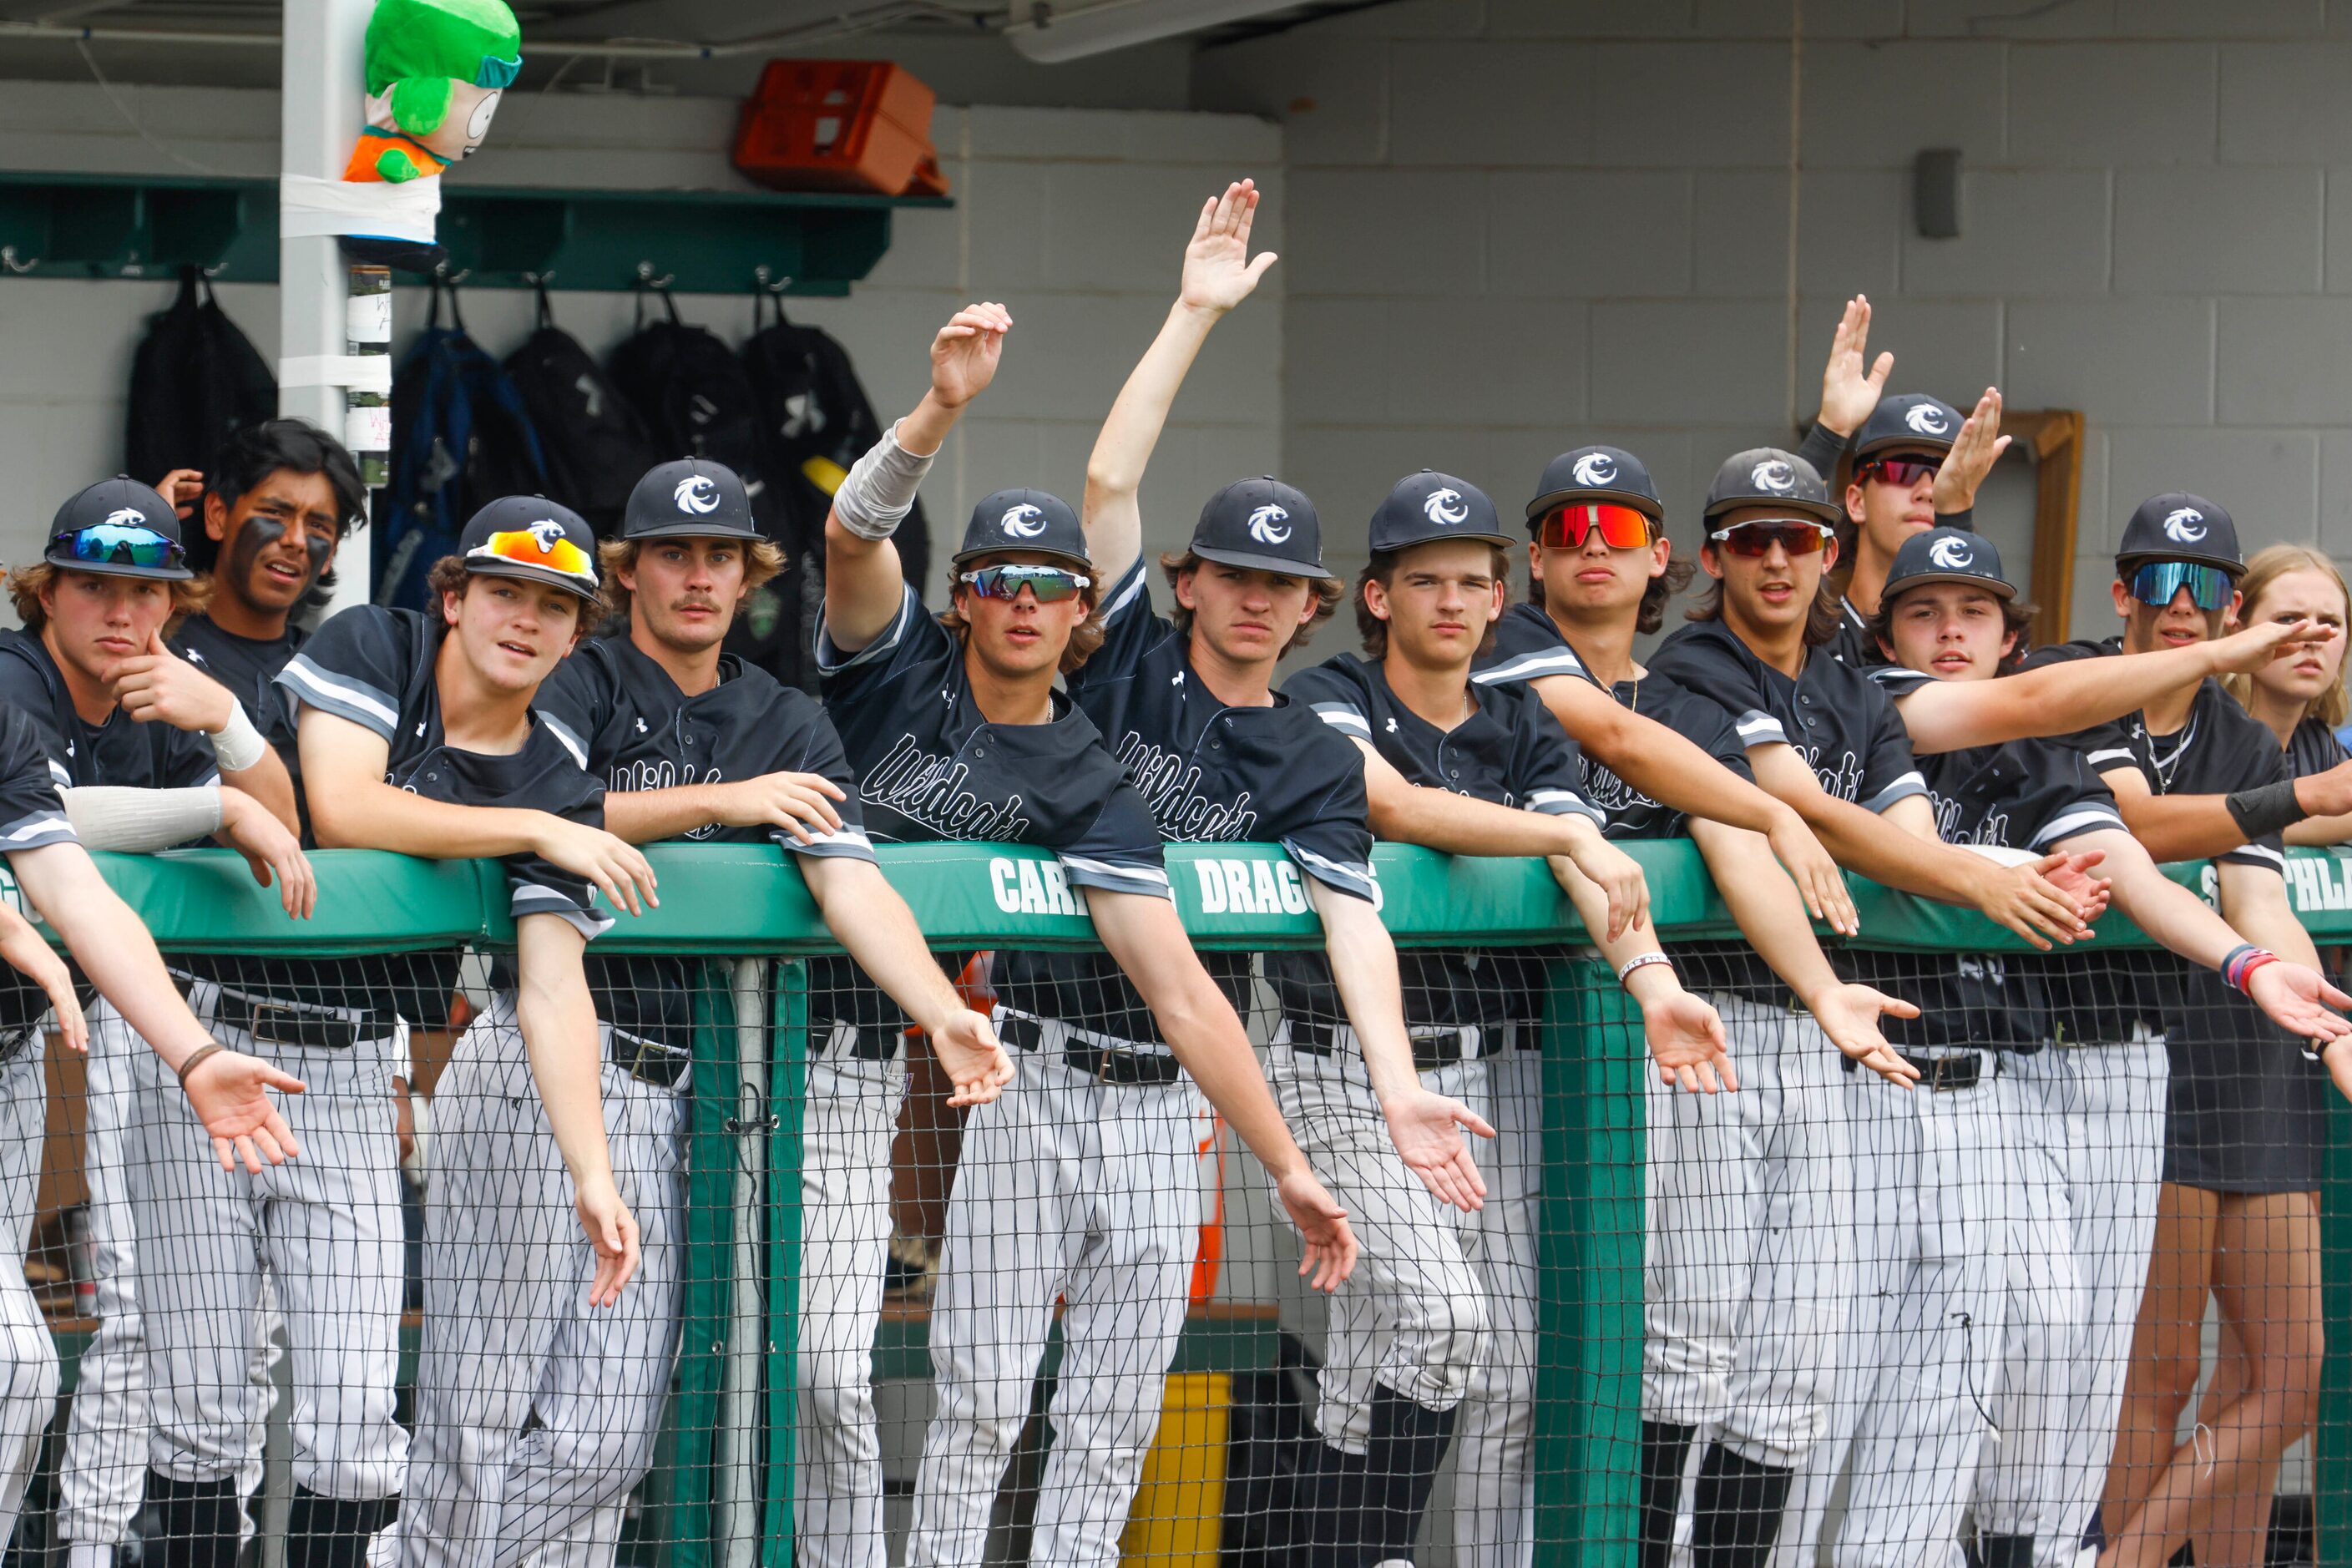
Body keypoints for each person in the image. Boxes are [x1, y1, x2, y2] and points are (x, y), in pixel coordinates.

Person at [1071, 187, 1608, 1561]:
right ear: (1189, 584)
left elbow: (1355, 911)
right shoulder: (1136, 660)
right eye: (1231, 574)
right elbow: (1108, 485)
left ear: (1313, 603)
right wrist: (1193, 312)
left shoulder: (1301, 739)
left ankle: (1331, 1545)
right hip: (1033, 1042)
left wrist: (1393, 1078)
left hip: (1205, 1074)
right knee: (996, 1397)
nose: (1254, 597)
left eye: (1280, 582)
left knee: (1428, 1331)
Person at [817, 300, 1356, 1568]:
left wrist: (1282, 1160)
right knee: (969, 1398)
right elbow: (850, 538)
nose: (1021, 602)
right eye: (997, 580)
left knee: (1110, 1417)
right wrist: (941, 408)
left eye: (1050, 586)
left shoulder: (1083, 769)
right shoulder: (898, 668)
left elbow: (1182, 991)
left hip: (1150, 1105)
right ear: (961, 599)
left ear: (1082, 615)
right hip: (947, 1061)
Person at [1815, 527, 2350, 1568]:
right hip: (1857, 1076)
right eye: (1925, 612)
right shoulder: (1869, 706)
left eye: (1974, 613)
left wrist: (2252, 967)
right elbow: (2031, 734)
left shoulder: (2043, 749)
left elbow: (2129, 862)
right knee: (1819, 1384)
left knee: (2049, 1352)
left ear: (2009, 632)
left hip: (2011, 1085)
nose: (1950, 632)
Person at [1282, 466, 1769, 1568]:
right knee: (1424, 1330)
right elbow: (1396, 805)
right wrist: (1567, 838)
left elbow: (1601, 882)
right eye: (1423, 580)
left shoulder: (1520, 719)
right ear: (1376, 596)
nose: (1448, 601)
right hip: (1344, 1062)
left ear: (1501, 598)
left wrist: (1651, 984)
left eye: (1468, 580)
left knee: (1484, 1362)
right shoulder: (1327, 694)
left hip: (1490, 1073)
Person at [531, 455, 1012, 1568]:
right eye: (672, 554)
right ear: (630, 570)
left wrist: (940, 1011)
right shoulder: (580, 680)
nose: (698, 576)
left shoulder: (786, 714)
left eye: (721, 556)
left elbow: (848, 877)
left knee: (791, 1382)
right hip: (587, 1064)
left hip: (750, 1090)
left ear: (752, 574)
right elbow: (531, 809)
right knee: (574, 1413)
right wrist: (723, 802)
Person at [1643, 448, 2114, 1563]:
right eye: (1748, 539)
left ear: (1828, 552)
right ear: (1713, 557)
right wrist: (1985, 880)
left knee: (1795, 1364)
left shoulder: (1851, 682)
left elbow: (1905, 833)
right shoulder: (1693, 662)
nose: (1772, 559)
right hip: (1708, 1030)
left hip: (1818, 1039)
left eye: (1794, 539)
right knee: (1688, 1347)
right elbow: (1794, 803)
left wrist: (1972, 873)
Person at [1469, 443, 1920, 1568]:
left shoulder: (1679, 684)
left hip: (1667, 1031)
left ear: (1661, 556)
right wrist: (1786, 816)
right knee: (1512, 1365)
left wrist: (1814, 970)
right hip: (1520, 1048)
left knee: (1733, 1355)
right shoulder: (1516, 650)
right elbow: (1628, 750)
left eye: (1615, 530)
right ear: (1531, 556)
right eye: (1566, 529)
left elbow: (1708, 789)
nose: (1589, 548)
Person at [278, 496, 662, 1568]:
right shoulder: (375, 643)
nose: (525, 619)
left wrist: (592, 1171)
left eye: (555, 604)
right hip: (193, 1026)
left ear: (579, 633)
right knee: (187, 1390)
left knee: (358, 1421)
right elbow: (343, 808)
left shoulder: (557, 778)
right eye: (504, 590)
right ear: (453, 598)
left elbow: (550, 992)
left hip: (355, 1063)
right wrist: (539, 827)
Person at [2012, 498, 2352, 1568]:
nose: (2182, 607)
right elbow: (2135, 830)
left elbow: (2260, 902)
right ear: (2122, 595)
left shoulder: (2237, 734)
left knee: (2289, 1375)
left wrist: (2335, 1034)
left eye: (2204, 587)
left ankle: (2123, 1559)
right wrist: (2302, 798)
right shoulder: (2084, 693)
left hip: (2250, 1043)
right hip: (2122, 1054)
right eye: (2161, 582)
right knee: (2150, 1376)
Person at [0, 476, 314, 1566]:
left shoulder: (164, 694)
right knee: (28, 1363)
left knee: (34, 1365)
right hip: (48, 1034)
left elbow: (282, 827)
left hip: (19, 1057)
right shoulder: (10, 680)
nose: (120, 613)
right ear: (46, 590)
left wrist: (224, 727)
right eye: (93, 585)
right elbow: (61, 826)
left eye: (143, 590)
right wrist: (211, 806)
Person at [1788, 296, 2006, 669]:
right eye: (1902, 470)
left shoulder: (1977, 639)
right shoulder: (1805, 640)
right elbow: (1766, 546)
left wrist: (1956, 513)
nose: (1926, 491)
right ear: (1855, 502)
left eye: (1944, 476)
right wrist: (1830, 433)